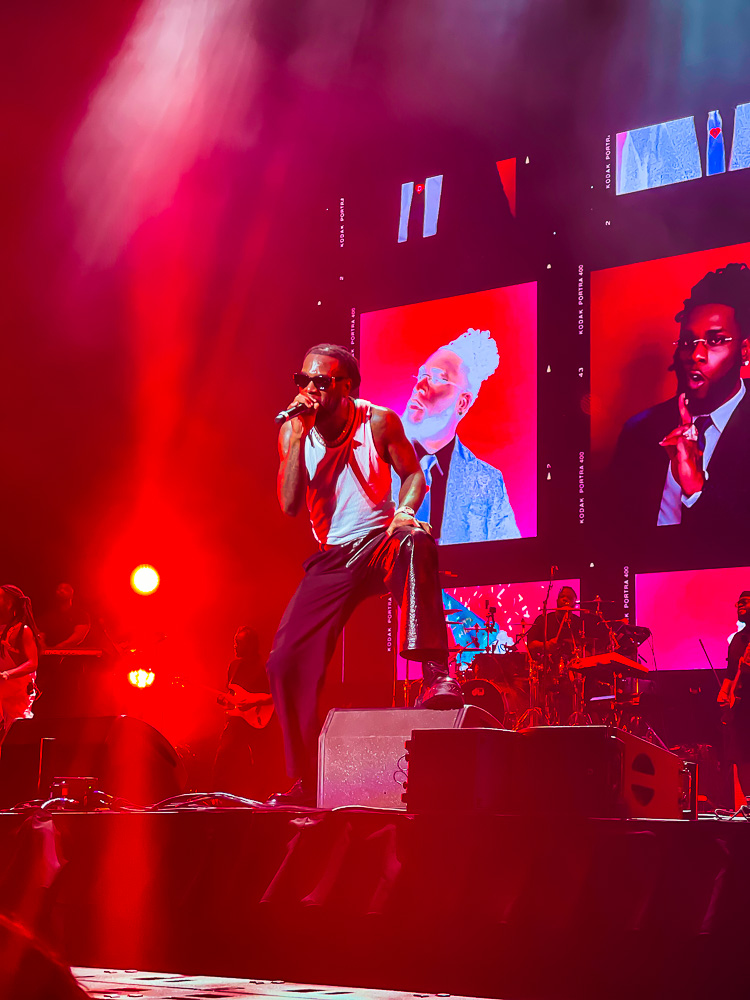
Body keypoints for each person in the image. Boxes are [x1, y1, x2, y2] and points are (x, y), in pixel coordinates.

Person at [266, 343, 461, 807]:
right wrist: (296, 439)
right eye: (304, 380)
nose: (310, 390)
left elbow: (416, 477)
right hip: (333, 557)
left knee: (416, 541)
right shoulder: (294, 433)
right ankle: (304, 781)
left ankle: (437, 674)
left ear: (346, 387)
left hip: (380, 538)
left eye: (322, 382)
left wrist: (406, 512)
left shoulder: (378, 421)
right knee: (284, 663)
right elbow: (290, 505)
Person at [609, 263, 750, 531]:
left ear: (744, 351)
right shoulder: (639, 431)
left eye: (716, 340)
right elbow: (613, 535)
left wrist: (696, 489)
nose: (695, 354)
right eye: (688, 342)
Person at [400, 327, 520, 543]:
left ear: (462, 402)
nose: (419, 386)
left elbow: (510, 559)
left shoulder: (487, 482)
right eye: (421, 375)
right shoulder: (376, 461)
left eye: (436, 379)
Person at [212, 626, 283, 801]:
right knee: (224, 754)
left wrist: (255, 701)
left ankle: (264, 799)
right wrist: (225, 701)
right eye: (235, 642)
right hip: (237, 720)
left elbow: (277, 695)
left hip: (259, 721)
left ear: (251, 645)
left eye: (239, 643)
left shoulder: (265, 666)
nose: (235, 646)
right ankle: (218, 796)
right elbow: (230, 694)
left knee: (261, 761)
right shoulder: (234, 666)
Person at [0, 585, 41, 748]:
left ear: (9, 603)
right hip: (3, 689)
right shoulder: (3, 629)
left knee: (17, 737)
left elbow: (32, 663)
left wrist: (7, 674)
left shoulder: (23, 630)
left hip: (17, 691)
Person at [718, 590, 750, 796]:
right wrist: (723, 691)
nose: (739, 605)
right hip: (739, 707)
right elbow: (731, 672)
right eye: (737, 602)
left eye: (745, 602)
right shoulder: (738, 639)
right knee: (741, 756)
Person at [527, 586, 585, 663]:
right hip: (547, 667)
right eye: (562, 596)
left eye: (569, 598)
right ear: (557, 600)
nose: (565, 599)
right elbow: (531, 645)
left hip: (574, 667)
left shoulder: (579, 622)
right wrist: (545, 645)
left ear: (574, 604)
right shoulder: (544, 619)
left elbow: (589, 648)